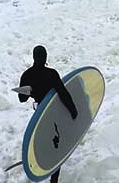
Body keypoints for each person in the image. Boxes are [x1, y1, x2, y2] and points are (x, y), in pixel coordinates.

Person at [18, 45, 78, 183]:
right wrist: (73, 110)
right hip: (53, 113)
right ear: (45, 57)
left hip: (39, 114)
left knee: (43, 142)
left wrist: (30, 91)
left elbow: (22, 99)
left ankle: (41, 167)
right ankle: (53, 178)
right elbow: (63, 93)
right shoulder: (51, 73)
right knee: (56, 145)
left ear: (34, 57)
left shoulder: (27, 75)